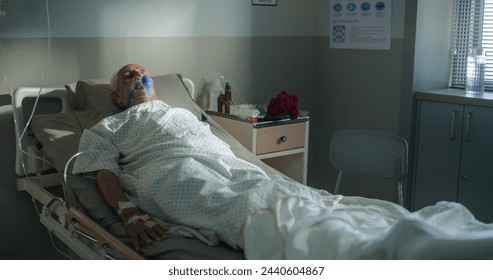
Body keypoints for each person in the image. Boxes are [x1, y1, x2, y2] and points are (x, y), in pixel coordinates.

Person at [73, 64, 493, 259]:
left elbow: (220, 141)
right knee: (247, 208)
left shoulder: (182, 111)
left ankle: (402, 236)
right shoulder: (110, 127)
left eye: (144, 74)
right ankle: (363, 252)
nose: (140, 79)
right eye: (129, 76)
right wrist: (126, 209)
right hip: (170, 170)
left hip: (229, 163)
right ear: (115, 94)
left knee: (288, 192)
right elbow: (104, 171)